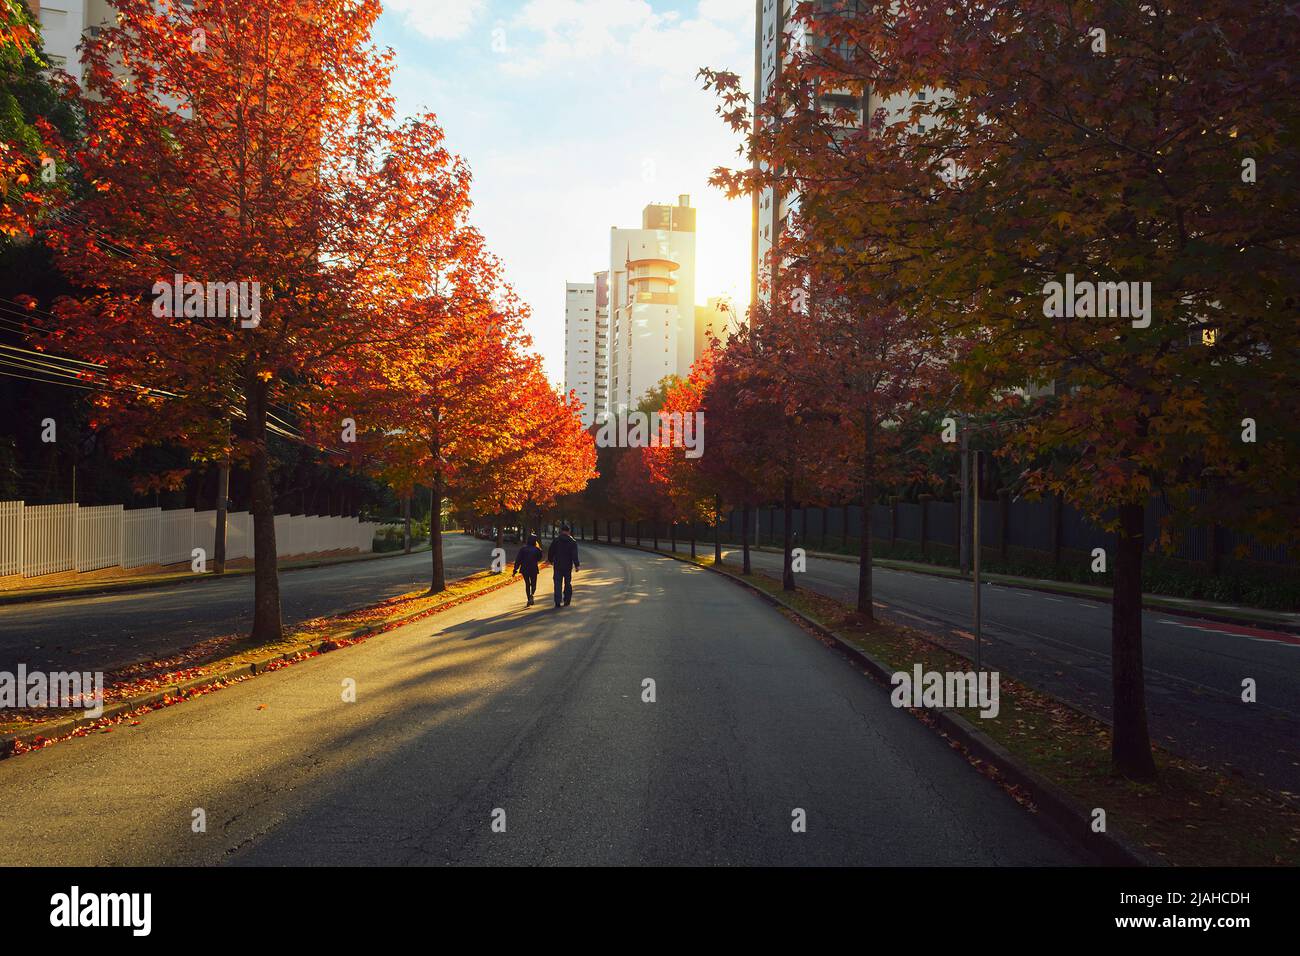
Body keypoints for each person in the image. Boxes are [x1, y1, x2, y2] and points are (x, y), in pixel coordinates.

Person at [546, 524, 580, 607]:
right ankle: (567, 600)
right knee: (567, 583)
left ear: (561, 531)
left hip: (558, 565)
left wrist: (550, 560)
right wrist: (577, 565)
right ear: (569, 531)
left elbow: (551, 551)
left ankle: (557, 601)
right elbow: (574, 554)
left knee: (557, 583)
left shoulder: (556, 540)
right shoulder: (572, 542)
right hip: (567, 565)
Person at [512, 534, 544, 606]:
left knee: (527, 584)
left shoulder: (523, 549)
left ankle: (529, 598)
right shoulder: (537, 549)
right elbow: (539, 558)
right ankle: (532, 595)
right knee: (533, 584)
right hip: (533, 568)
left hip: (524, 568)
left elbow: (518, 560)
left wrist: (515, 569)